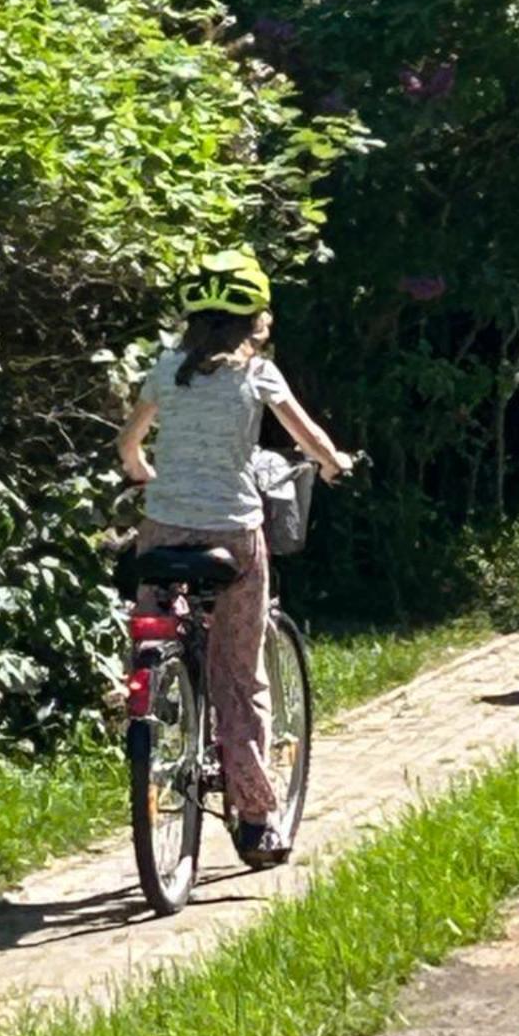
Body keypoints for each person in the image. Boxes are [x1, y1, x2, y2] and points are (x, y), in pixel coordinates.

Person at [115, 248, 353, 867]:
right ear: (255, 320)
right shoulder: (259, 376)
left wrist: (144, 471)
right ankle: (255, 818)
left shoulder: (167, 369)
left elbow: (130, 443)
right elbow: (309, 437)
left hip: (163, 529)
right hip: (232, 532)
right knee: (241, 675)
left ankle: (154, 689)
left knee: (153, 625)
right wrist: (334, 465)